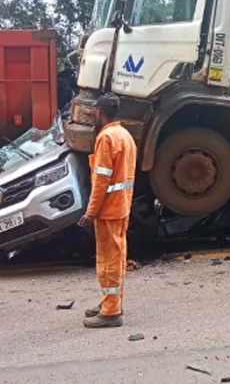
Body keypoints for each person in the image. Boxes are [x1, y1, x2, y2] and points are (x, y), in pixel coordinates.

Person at [78, 94, 137, 328]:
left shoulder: (106, 138)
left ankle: (111, 312)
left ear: (100, 112)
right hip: (121, 206)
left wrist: (91, 212)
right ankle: (111, 302)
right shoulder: (125, 135)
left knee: (108, 261)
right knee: (118, 257)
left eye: (95, 111)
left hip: (108, 209)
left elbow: (101, 180)